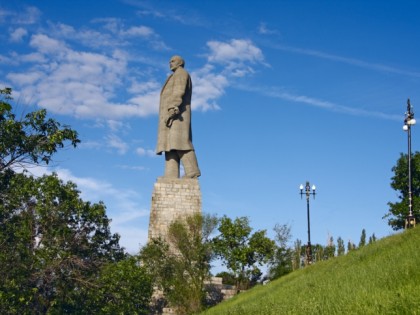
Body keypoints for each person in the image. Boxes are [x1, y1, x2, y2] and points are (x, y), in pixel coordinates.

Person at [156, 55, 201, 179]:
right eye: (169, 61)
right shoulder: (173, 75)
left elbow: (178, 91)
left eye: (173, 61)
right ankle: (170, 175)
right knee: (170, 147)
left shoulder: (181, 74)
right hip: (171, 115)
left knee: (181, 143)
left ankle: (193, 172)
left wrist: (173, 107)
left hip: (177, 114)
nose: (170, 63)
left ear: (180, 62)